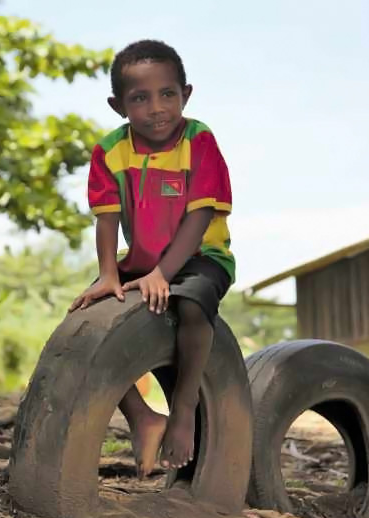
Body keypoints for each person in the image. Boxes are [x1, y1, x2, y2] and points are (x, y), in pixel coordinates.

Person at [68, 39, 236, 479]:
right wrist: (108, 274)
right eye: (139, 98)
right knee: (89, 323)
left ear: (187, 95)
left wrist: (165, 273)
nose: (156, 107)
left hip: (201, 254)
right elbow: (106, 220)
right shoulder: (109, 150)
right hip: (140, 258)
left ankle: (182, 408)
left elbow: (200, 216)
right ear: (118, 105)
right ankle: (143, 416)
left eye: (168, 94)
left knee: (193, 305)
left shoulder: (199, 140)